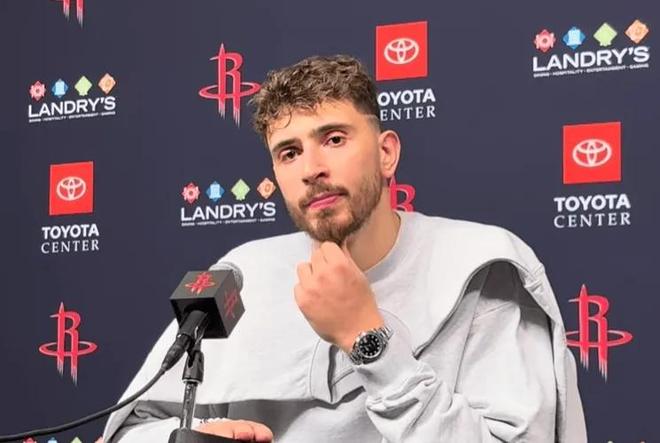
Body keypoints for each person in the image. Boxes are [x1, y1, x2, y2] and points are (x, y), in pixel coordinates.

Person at [103, 55, 587, 442]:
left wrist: (366, 338)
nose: (311, 168)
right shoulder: (243, 271)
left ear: (386, 153)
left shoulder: (482, 267)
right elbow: (129, 430)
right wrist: (188, 438)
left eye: (334, 139)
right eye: (289, 153)